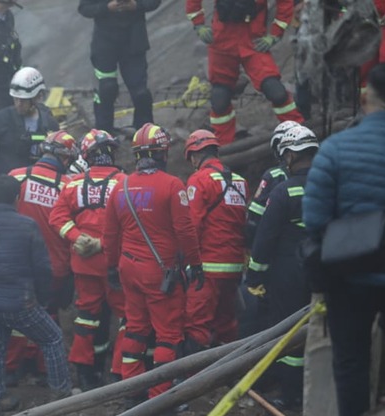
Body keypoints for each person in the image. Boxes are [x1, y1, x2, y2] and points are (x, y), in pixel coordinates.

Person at [303, 63, 385, 416]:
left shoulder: (335, 149)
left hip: (350, 273)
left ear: (366, 98)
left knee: (350, 360)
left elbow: (314, 221)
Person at [0, 176, 72, 416]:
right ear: (16, 198)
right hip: (21, 303)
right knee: (52, 339)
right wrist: (42, 299)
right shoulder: (28, 225)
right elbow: (42, 268)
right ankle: (61, 396)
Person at [104, 124, 202, 399]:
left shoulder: (120, 187)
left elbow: (109, 234)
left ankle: (131, 391)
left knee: (135, 329)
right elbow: (185, 230)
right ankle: (160, 398)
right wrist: (195, 263)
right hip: (160, 273)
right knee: (168, 334)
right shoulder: (172, 185)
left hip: (127, 268)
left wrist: (111, 267)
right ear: (162, 153)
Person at [50, 129, 128, 390]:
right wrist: (103, 244)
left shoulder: (72, 185)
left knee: (86, 316)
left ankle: (85, 374)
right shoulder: (125, 183)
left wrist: (76, 237)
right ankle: (121, 371)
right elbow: (132, 225)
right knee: (129, 317)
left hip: (84, 264)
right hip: (116, 264)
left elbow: (57, 219)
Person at [246, 125, 318, 408]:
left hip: (289, 275)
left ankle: (290, 395)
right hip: (326, 272)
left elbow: (264, 241)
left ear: (289, 155)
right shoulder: (331, 184)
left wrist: (254, 277)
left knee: (289, 337)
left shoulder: (283, 192)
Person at [7, 130, 81, 379]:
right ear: (67, 159)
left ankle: (15, 367)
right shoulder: (70, 186)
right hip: (55, 266)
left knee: (19, 316)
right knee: (47, 315)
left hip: (16, 264)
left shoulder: (16, 177)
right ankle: (43, 368)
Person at [186, 0, 304, 144]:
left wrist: (275, 34)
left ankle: (298, 135)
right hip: (222, 42)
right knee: (220, 100)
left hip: (253, 41)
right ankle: (224, 148)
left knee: (276, 92)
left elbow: (285, 3)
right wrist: (198, 24)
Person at [182, 130, 249, 353]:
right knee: (227, 323)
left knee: (196, 324)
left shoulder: (199, 180)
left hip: (208, 268)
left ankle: (193, 380)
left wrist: (185, 261)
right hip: (235, 267)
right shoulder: (240, 182)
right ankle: (227, 374)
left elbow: (193, 225)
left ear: (194, 155)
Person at [78, 0, 159, 133]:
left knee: (140, 92)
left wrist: (136, 5)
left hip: (134, 42)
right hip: (105, 45)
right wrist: (106, 7)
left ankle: (145, 131)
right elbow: (84, 8)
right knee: (107, 89)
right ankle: (104, 133)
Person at [0, 67, 60, 177]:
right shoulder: (0, 120)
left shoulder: (50, 124)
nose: (18, 104)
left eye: (23, 100)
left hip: (35, 183)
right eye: (15, 99)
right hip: (5, 183)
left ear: (37, 97)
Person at [246, 120, 298, 246]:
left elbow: (255, 217)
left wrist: (250, 244)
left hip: (279, 246)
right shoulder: (316, 173)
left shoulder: (275, 175)